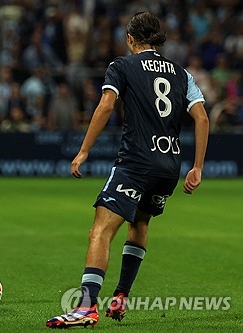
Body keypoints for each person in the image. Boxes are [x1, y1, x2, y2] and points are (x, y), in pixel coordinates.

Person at [46, 12, 209, 328]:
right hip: (169, 167)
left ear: (130, 39)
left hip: (136, 162)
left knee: (101, 229)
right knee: (140, 222)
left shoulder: (121, 66)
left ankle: (85, 307)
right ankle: (120, 296)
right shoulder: (182, 73)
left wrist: (83, 151)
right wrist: (198, 166)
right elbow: (202, 118)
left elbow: (106, 106)